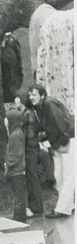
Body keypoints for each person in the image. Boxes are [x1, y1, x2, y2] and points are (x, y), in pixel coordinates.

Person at [28, 84, 75, 218]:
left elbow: (60, 123)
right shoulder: (42, 106)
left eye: (34, 94)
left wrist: (63, 143)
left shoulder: (48, 105)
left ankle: (62, 209)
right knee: (58, 176)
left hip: (66, 141)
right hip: (59, 143)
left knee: (67, 176)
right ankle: (68, 205)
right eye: (30, 94)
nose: (31, 97)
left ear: (42, 95)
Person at [21, 94, 46, 216]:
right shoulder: (33, 112)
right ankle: (36, 206)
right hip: (34, 148)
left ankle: (36, 207)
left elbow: (27, 134)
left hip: (29, 149)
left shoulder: (27, 113)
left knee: (31, 177)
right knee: (32, 177)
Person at [5, 104, 28, 222]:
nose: (6, 122)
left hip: (16, 171)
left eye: (7, 120)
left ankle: (20, 218)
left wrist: (8, 164)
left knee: (19, 195)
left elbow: (15, 154)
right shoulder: (16, 133)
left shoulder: (15, 135)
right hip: (17, 170)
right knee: (18, 194)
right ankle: (19, 216)